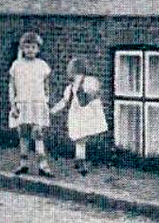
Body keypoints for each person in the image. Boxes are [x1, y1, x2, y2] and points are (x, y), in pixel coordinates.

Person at [50, 56, 108, 175]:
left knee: (82, 138)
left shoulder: (90, 82)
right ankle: (80, 161)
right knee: (80, 138)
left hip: (88, 113)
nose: (77, 77)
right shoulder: (70, 87)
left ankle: (80, 159)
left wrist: (82, 89)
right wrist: (53, 110)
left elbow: (90, 96)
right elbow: (65, 101)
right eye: (75, 74)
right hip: (78, 114)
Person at [9, 31, 53, 176]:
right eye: (27, 47)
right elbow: (12, 86)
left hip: (37, 103)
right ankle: (23, 163)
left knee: (38, 133)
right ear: (22, 48)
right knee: (23, 133)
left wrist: (45, 101)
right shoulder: (17, 65)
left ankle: (43, 165)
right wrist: (13, 105)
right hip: (22, 103)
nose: (30, 50)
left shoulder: (42, 65)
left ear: (38, 49)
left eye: (33, 47)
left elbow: (46, 86)